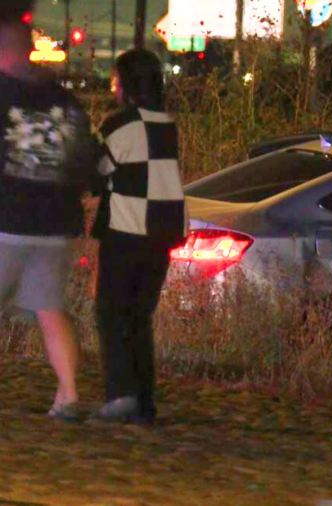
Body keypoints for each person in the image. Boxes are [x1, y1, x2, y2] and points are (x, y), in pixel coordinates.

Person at [0, 0, 99, 422]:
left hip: (6, 222)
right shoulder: (66, 101)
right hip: (56, 227)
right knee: (49, 309)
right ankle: (69, 395)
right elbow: (87, 160)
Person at [91, 49, 188, 427]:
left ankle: (120, 396)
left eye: (115, 80)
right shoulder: (169, 124)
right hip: (163, 234)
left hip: (126, 229)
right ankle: (144, 402)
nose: (112, 88)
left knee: (112, 312)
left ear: (126, 84)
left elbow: (95, 175)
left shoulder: (119, 126)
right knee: (139, 318)